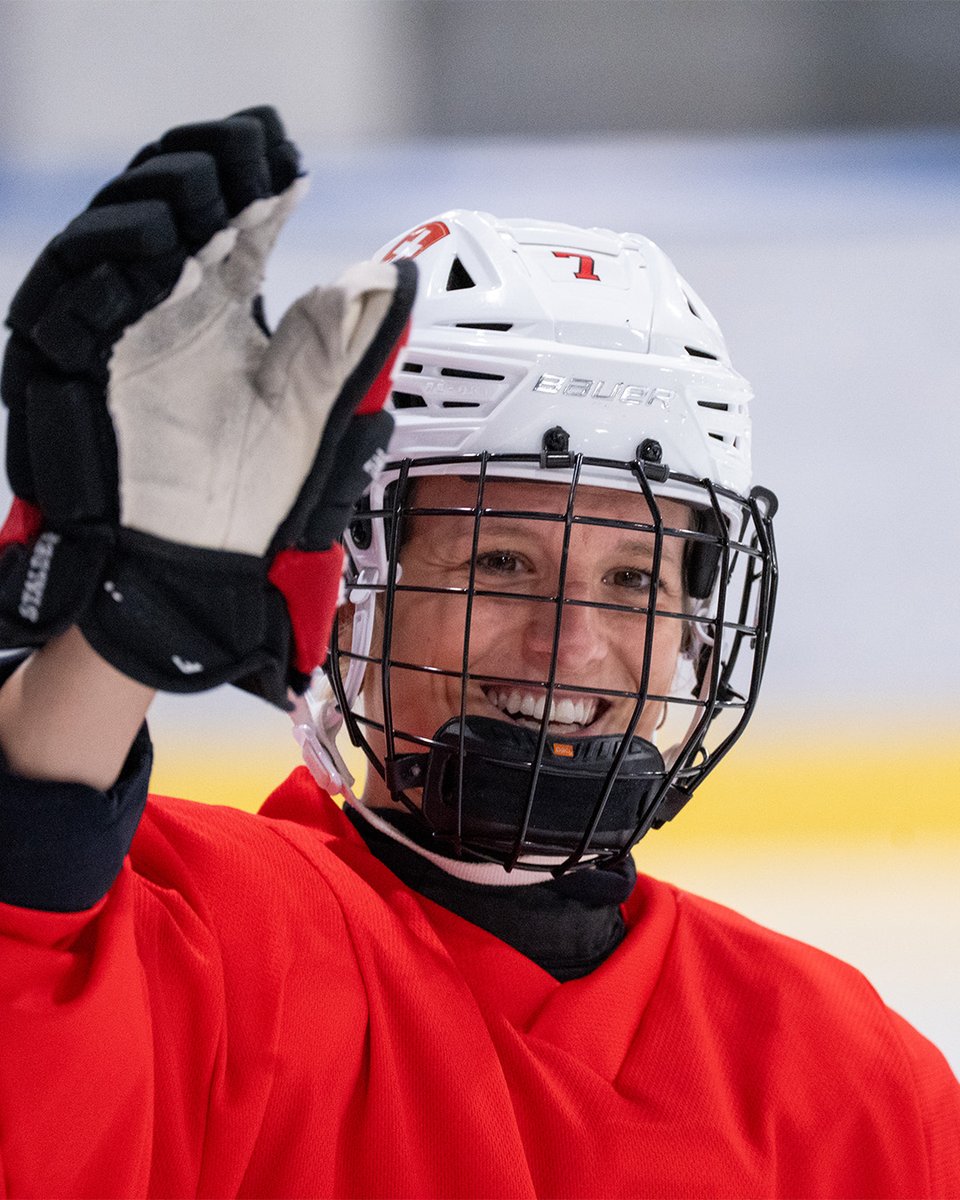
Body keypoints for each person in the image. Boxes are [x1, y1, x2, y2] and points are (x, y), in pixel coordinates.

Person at [0, 107, 957, 1199]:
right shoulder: (205, 949)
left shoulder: (854, 1080)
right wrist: (126, 641)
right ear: (355, 588)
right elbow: (30, 943)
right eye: (498, 564)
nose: (573, 641)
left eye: (634, 580)